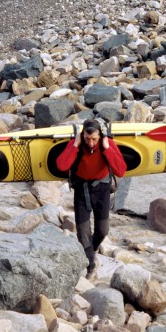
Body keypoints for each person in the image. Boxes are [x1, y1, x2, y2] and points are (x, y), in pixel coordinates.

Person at [56, 119, 127, 279]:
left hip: (102, 189)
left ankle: (89, 250)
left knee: (103, 230)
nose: (91, 143)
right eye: (87, 139)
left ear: (100, 136)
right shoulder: (78, 144)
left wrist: (108, 148)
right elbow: (61, 165)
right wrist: (75, 144)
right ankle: (90, 264)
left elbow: (121, 170)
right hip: (82, 190)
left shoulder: (106, 143)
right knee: (83, 233)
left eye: (94, 139)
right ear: (83, 136)